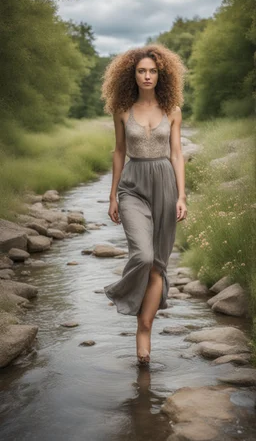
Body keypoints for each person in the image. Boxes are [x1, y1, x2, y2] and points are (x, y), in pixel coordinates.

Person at [101, 44, 187, 366]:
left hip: (165, 183)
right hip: (132, 185)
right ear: (132, 75)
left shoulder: (173, 109)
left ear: (160, 73)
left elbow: (177, 154)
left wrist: (181, 195)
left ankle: (144, 330)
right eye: (141, 71)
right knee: (143, 254)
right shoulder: (122, 109)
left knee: (157, 265)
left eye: (152, 70)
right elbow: (119, 152)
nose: (147, 76)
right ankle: (120, 292)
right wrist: (113, 195)